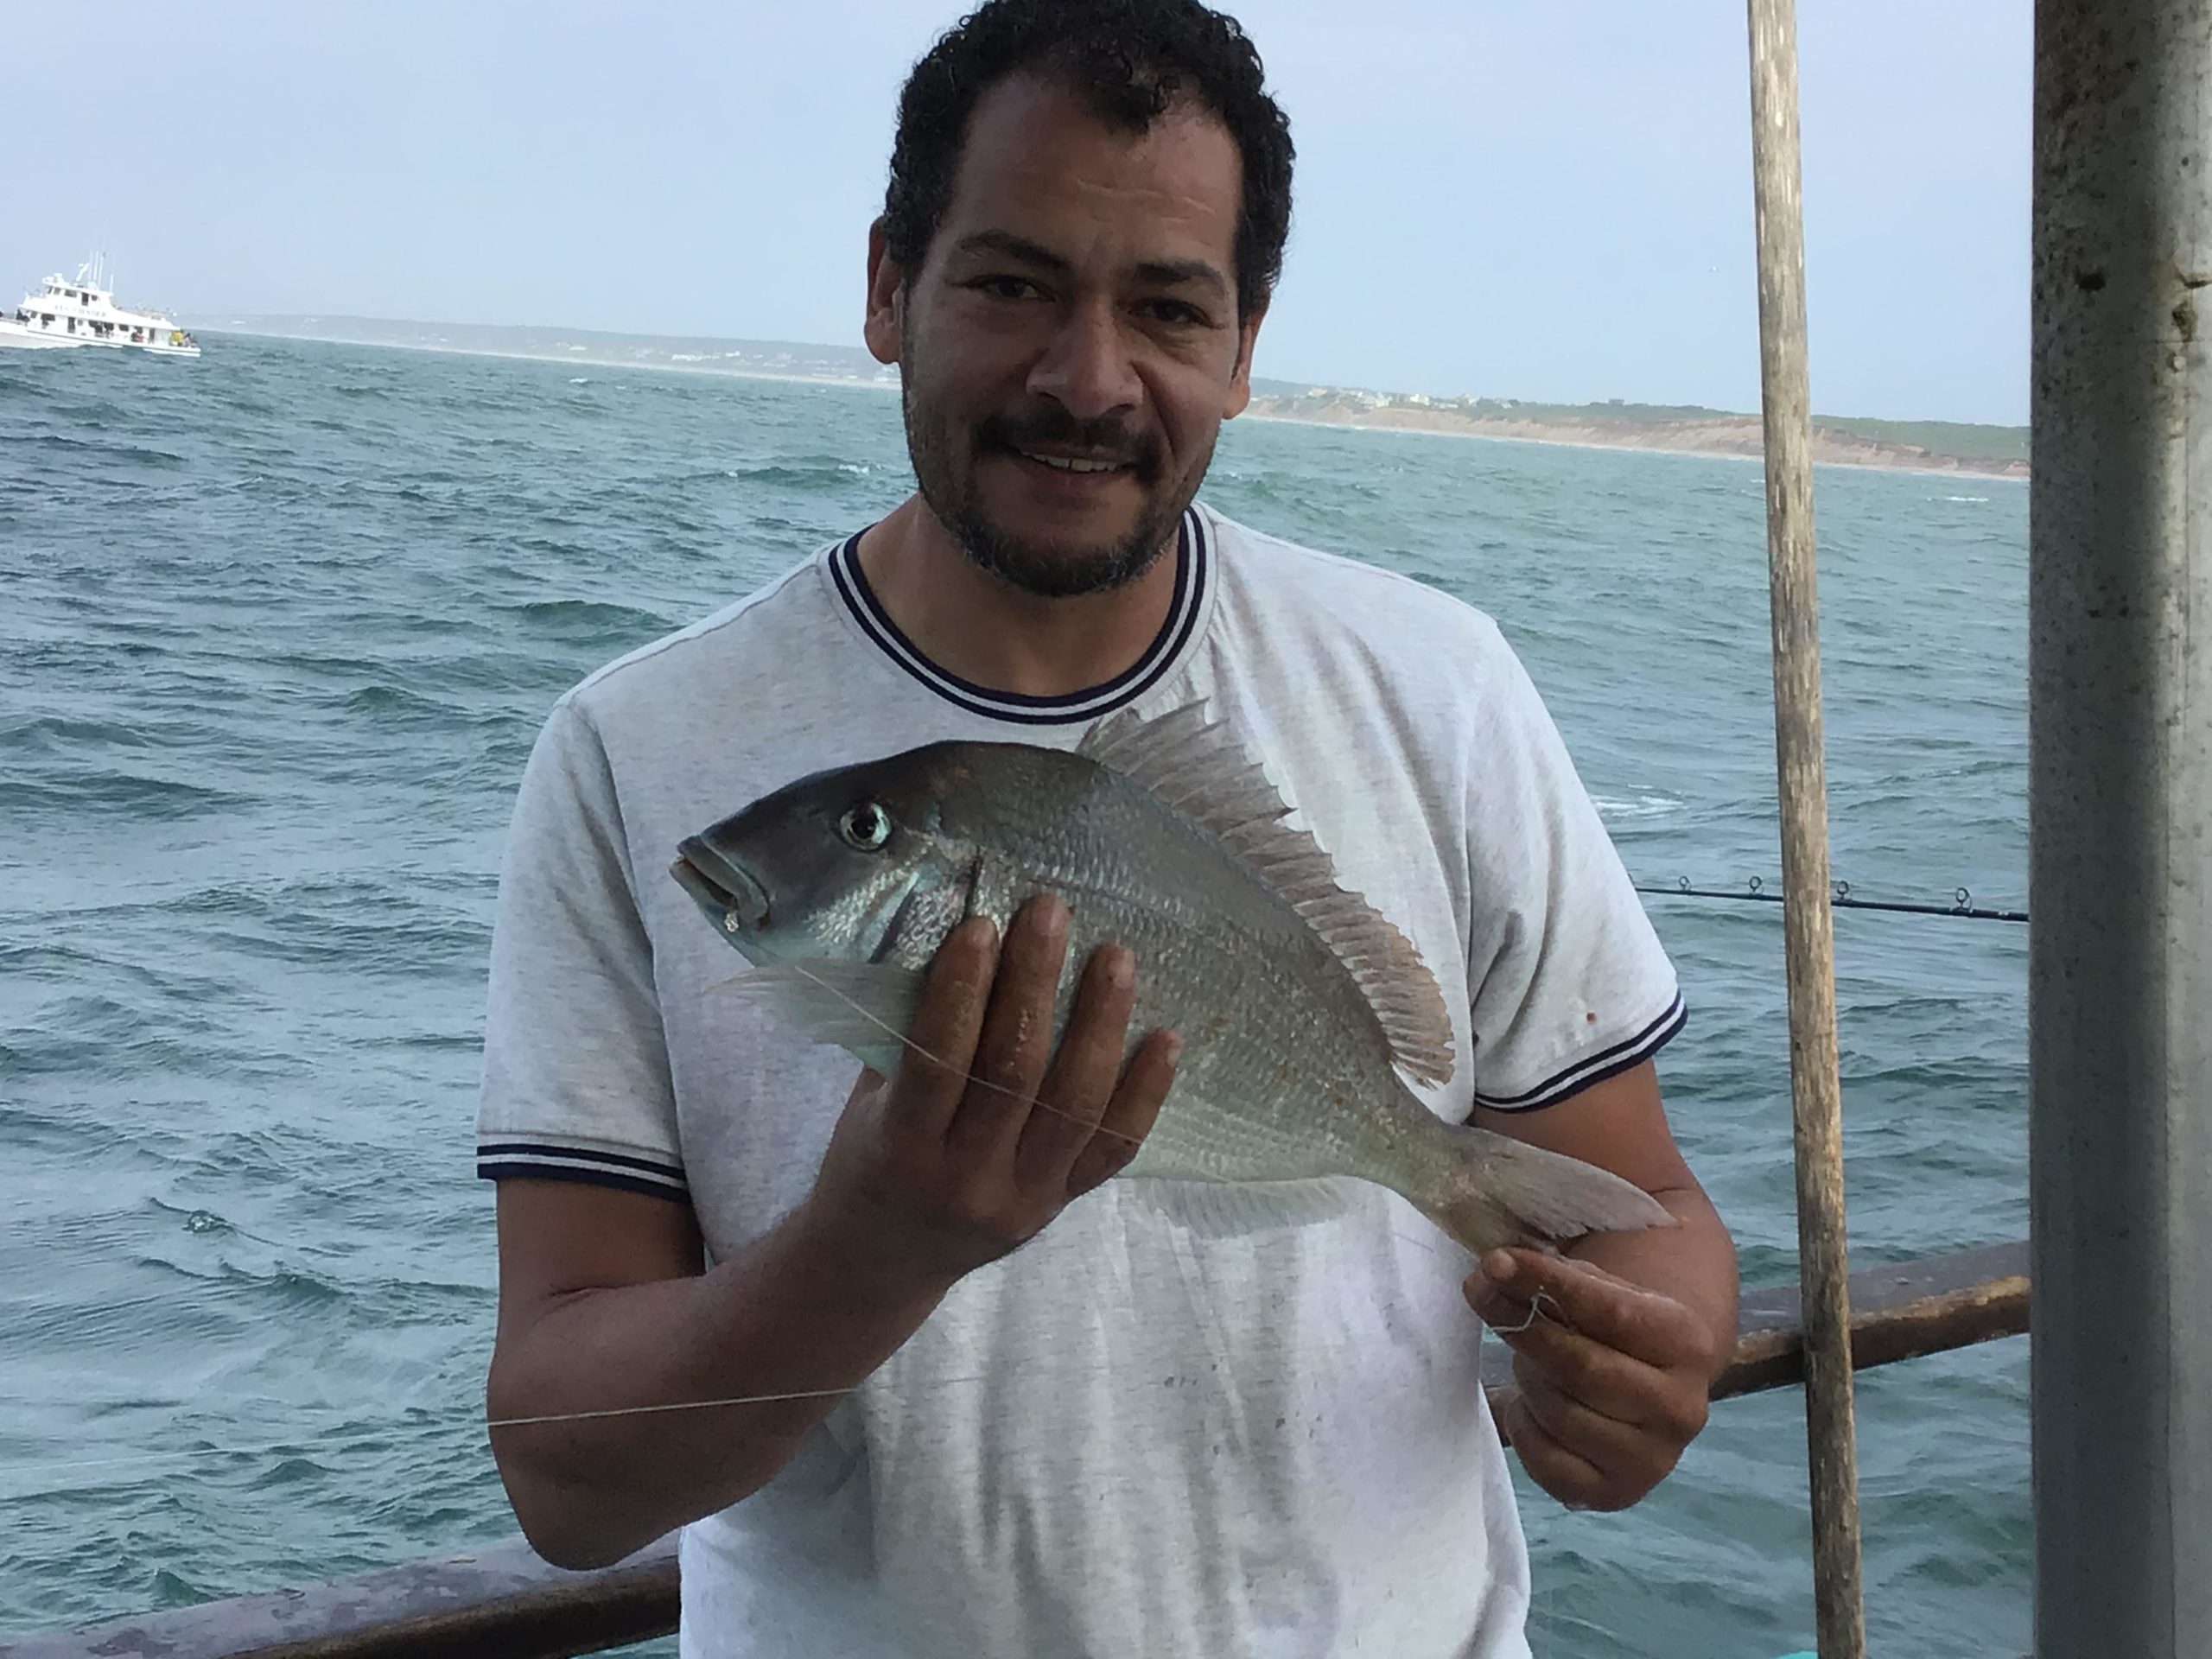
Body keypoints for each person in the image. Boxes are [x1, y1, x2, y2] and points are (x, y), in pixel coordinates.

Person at [478, 2, 1738, 1654]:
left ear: (1240, 345)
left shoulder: (1438, 685)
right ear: (887, 291)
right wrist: (873, 1248)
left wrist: (1647, 1367)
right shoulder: (634, 757)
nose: (1088, 379)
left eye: (1165, 307)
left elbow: (1649, 1217)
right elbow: (566, 1491)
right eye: (1012, 284)